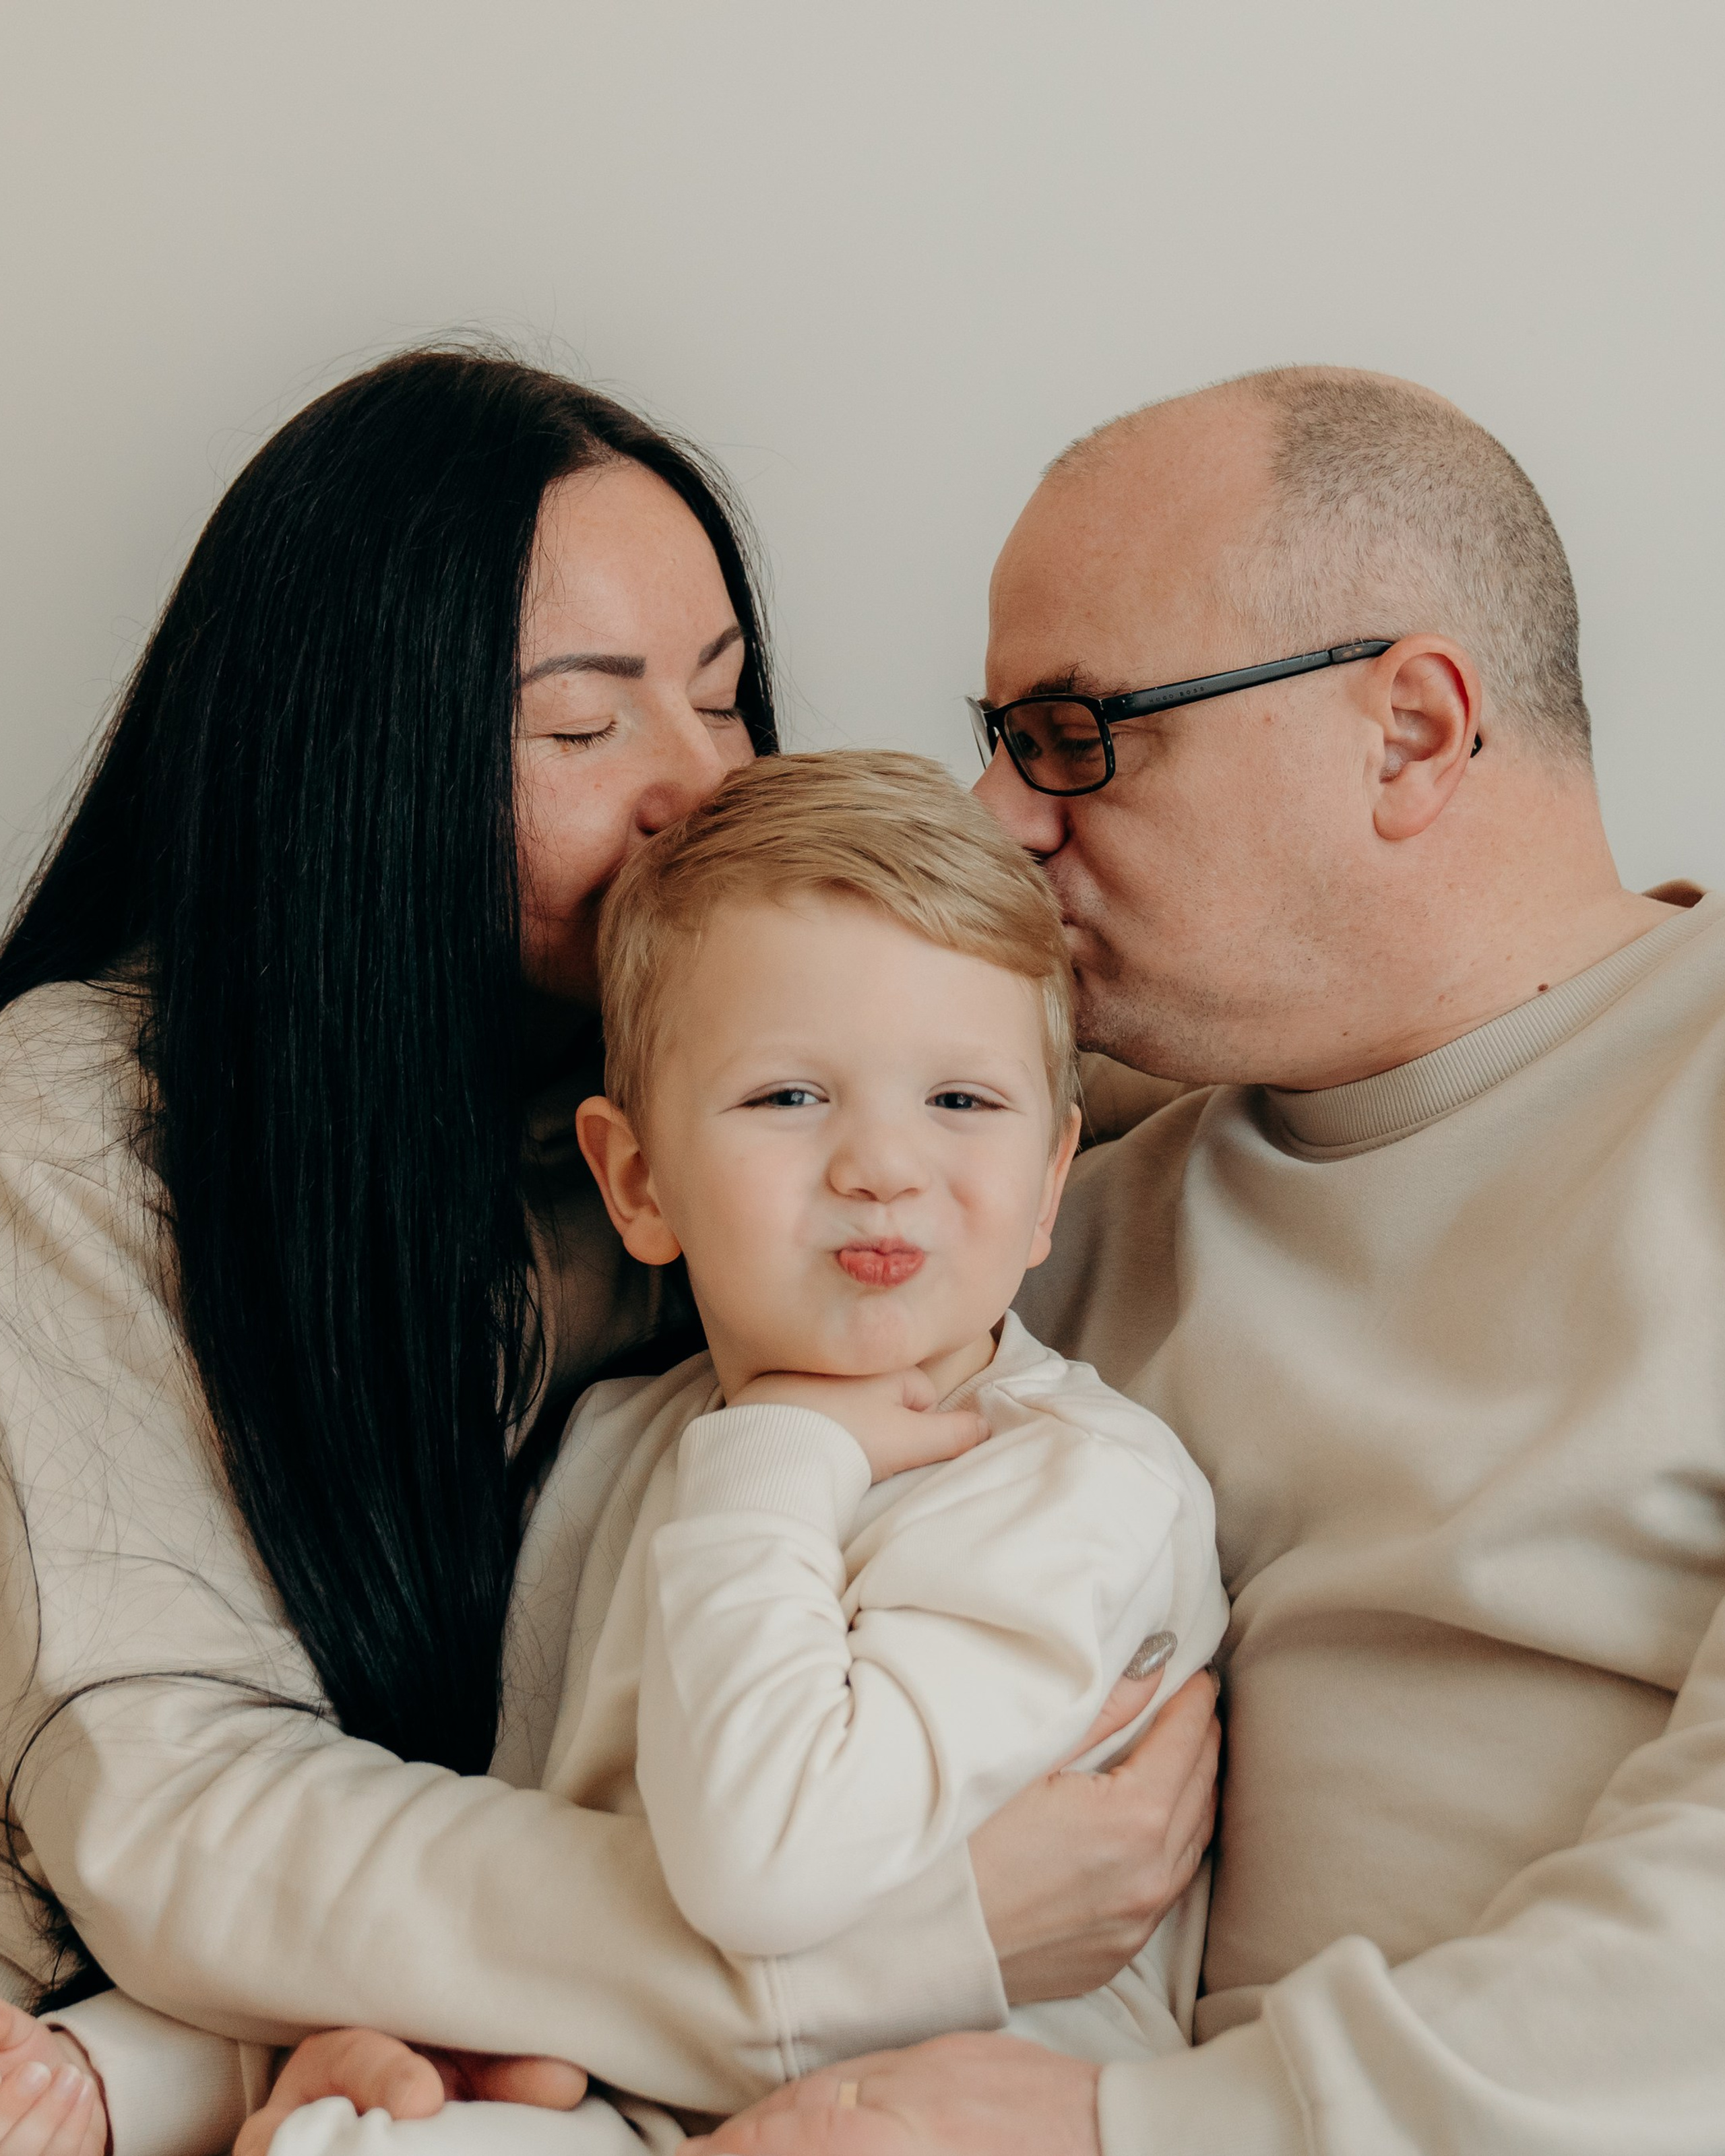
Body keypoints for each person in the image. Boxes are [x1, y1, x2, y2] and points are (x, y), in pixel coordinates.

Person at [0, 350, 1216, 2156]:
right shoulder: (93, 1132)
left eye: (726, 704)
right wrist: (892, 1952)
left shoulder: (770, 1113)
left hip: (425, 2035)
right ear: (361, 770)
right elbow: (177, 1814)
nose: (696, 789)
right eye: (585, 729)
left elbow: (1040, 1066)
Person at [689, 366, 1725, 2155]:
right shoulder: (1027, 1199)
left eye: (1076, 733)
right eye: (1002, 737)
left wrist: (1138, 2132)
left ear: (1408, 732)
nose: (1002, 815)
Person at [230, 750, 1229, 2155]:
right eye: (787, 1098)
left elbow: (769, 1865)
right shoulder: (623, 1440)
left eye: (960, 1101)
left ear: (1050, 1181)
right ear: (636, 1181)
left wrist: (776, 1462)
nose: (879, 1164)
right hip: (647, 2085)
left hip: (944, 2120)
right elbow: (497, 1848)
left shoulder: (1073, 1489)